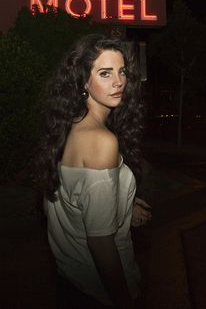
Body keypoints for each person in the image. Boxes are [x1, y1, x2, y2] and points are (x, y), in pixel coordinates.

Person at [34, 33, 152, 309]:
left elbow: (72, 194)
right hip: (99, 293)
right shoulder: (102, 141)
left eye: (121, 71)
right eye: (105, 73)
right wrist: (123, 301)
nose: (119, 82)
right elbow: (101, 244)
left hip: (71, 283)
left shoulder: (68, 127)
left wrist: (123, 202)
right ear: (83, 81)